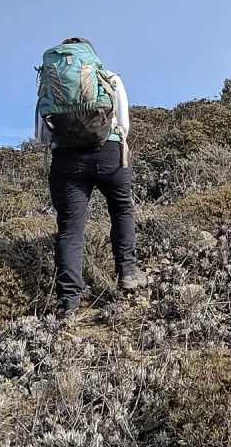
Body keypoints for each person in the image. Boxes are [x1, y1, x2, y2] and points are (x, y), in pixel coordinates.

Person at [35, 37, 147, 319]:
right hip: (109, 153)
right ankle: (128, 273)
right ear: (91, 55)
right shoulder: (108, 77)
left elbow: (41, 134)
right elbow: (125, 124)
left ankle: (69, 303)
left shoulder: (50, 83)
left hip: (66, 161)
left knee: (70, 229)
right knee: (121, 210)